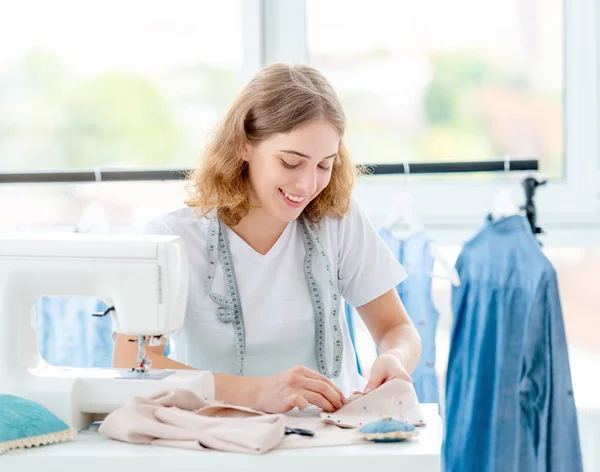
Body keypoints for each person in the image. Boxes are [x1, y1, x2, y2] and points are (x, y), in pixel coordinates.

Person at [114, 63, 421, 414]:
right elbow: (130, 362)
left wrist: (394, 357)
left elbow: (396, 327)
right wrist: (255, 392)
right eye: (291, 163)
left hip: (331, 437)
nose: (307, 185)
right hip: (220, 436)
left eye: (325, 165)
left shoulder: (338, 220)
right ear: (244, 145)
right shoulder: (173, 239)